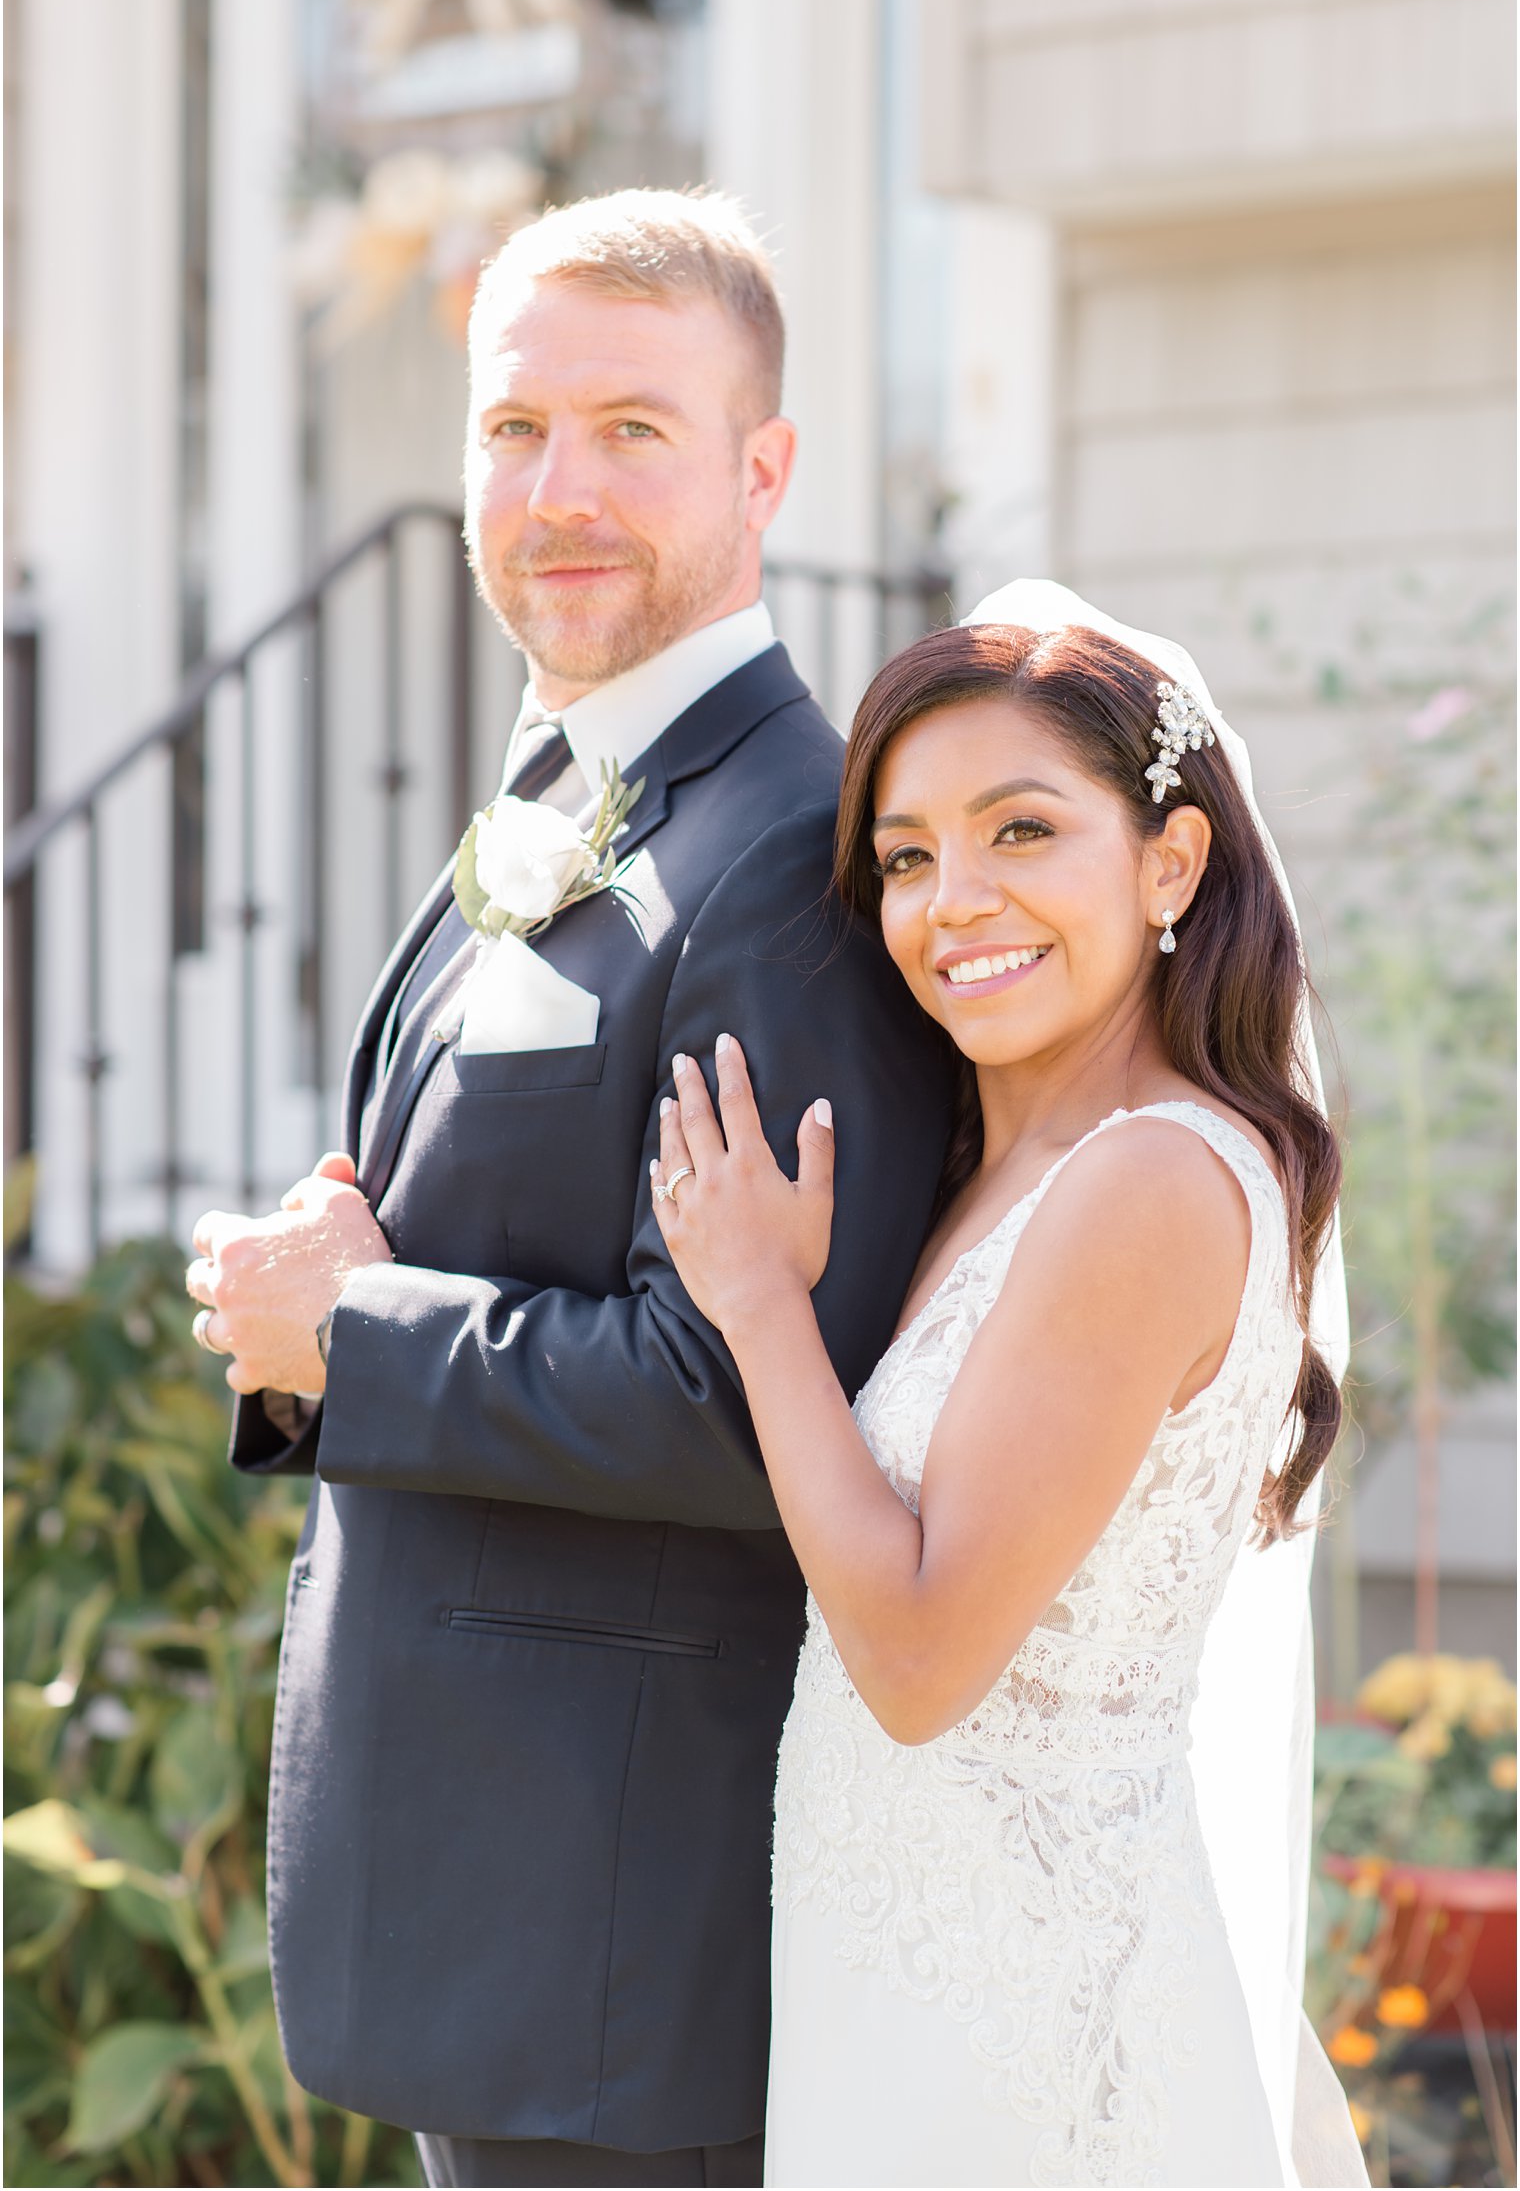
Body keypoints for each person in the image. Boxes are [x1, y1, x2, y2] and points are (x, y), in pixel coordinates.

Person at [184, 189, 955, 2189]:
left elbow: (747, 1403)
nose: (559, 489)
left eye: (633, 428)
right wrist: (317, 1285)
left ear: (762, 468)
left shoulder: (788, 858)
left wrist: (346, 1335)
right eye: (515, 430)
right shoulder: (563, 791)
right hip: (494, 1890)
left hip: (620, 1939)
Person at [651, 588, 1370, 2188]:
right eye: (907, 857)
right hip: (911, 1976)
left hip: (1025, 2030)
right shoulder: (1008, 1171)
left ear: (1170, 861)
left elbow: (915, 1657)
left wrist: (762, 1306)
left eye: (1021, 831)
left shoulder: (1148, 1183)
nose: (951, 900)